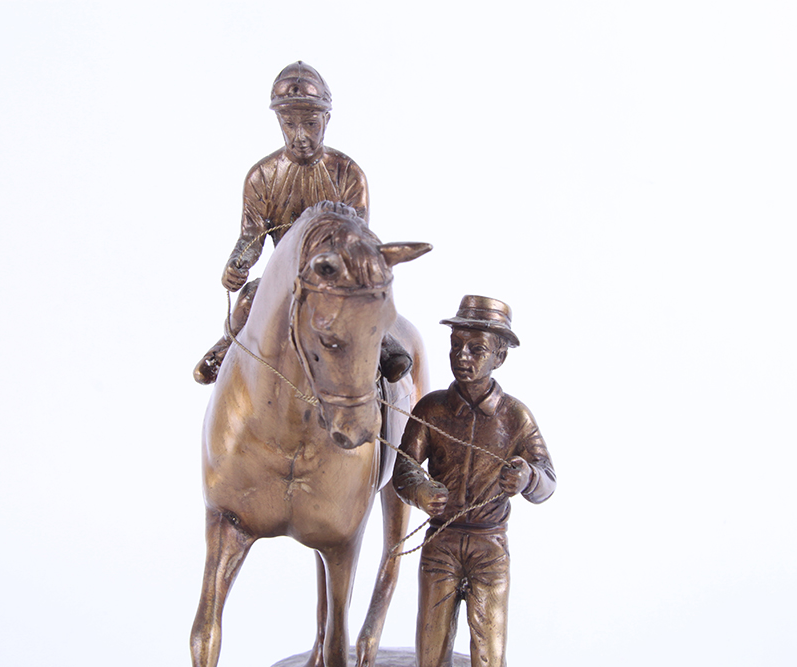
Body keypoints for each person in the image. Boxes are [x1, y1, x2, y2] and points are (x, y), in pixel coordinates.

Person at [193, 61, 410, 384]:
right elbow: (252, 234)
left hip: (336, 277)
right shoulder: (262, 176)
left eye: (310, 123)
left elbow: (358, 238)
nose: (301, 136)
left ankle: (382, 346)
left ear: (326, 119)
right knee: (249, 301)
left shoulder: (347, 173)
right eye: (289, 124)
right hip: (283, 276)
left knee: (361, 313)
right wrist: (238, 262)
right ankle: (229, 346)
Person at [392, 296, 556, 667]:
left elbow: (548, 480)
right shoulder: (431, 409)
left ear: (500, 358)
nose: (462, 356)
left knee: (489, 656)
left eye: (476, 349)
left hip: (489, 550)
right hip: (441, 545)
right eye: (456, 346)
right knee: (429, 655)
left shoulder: (515, 416)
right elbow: (403, 468)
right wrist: (420, 491)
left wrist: (527, 477)